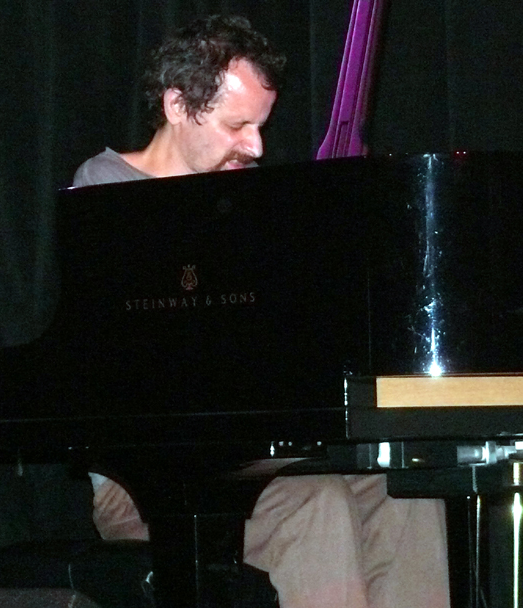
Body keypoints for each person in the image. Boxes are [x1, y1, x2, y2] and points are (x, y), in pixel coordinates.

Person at [73, 15, 450, 608]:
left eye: (260, 126)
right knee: (317, 503)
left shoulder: (249, 197)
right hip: (148, 482)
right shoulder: (104, 188)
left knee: (405, 492)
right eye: (237, 126)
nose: (256, 147)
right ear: (177, 106)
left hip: (260, 458)